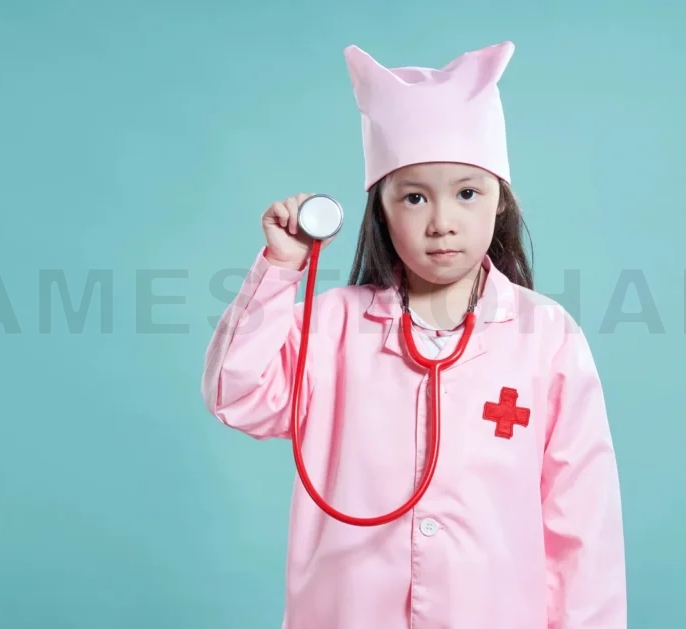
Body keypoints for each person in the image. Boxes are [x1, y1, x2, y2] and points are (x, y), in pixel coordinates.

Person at [201, 40, 627, 629]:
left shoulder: (546, 336)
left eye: (467, 193)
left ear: (500, 202)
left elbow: (582, 524)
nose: (442, 221)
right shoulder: (333, 327)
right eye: (415, 196)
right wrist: (279, 269)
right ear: (381, 210)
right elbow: (237, 396)